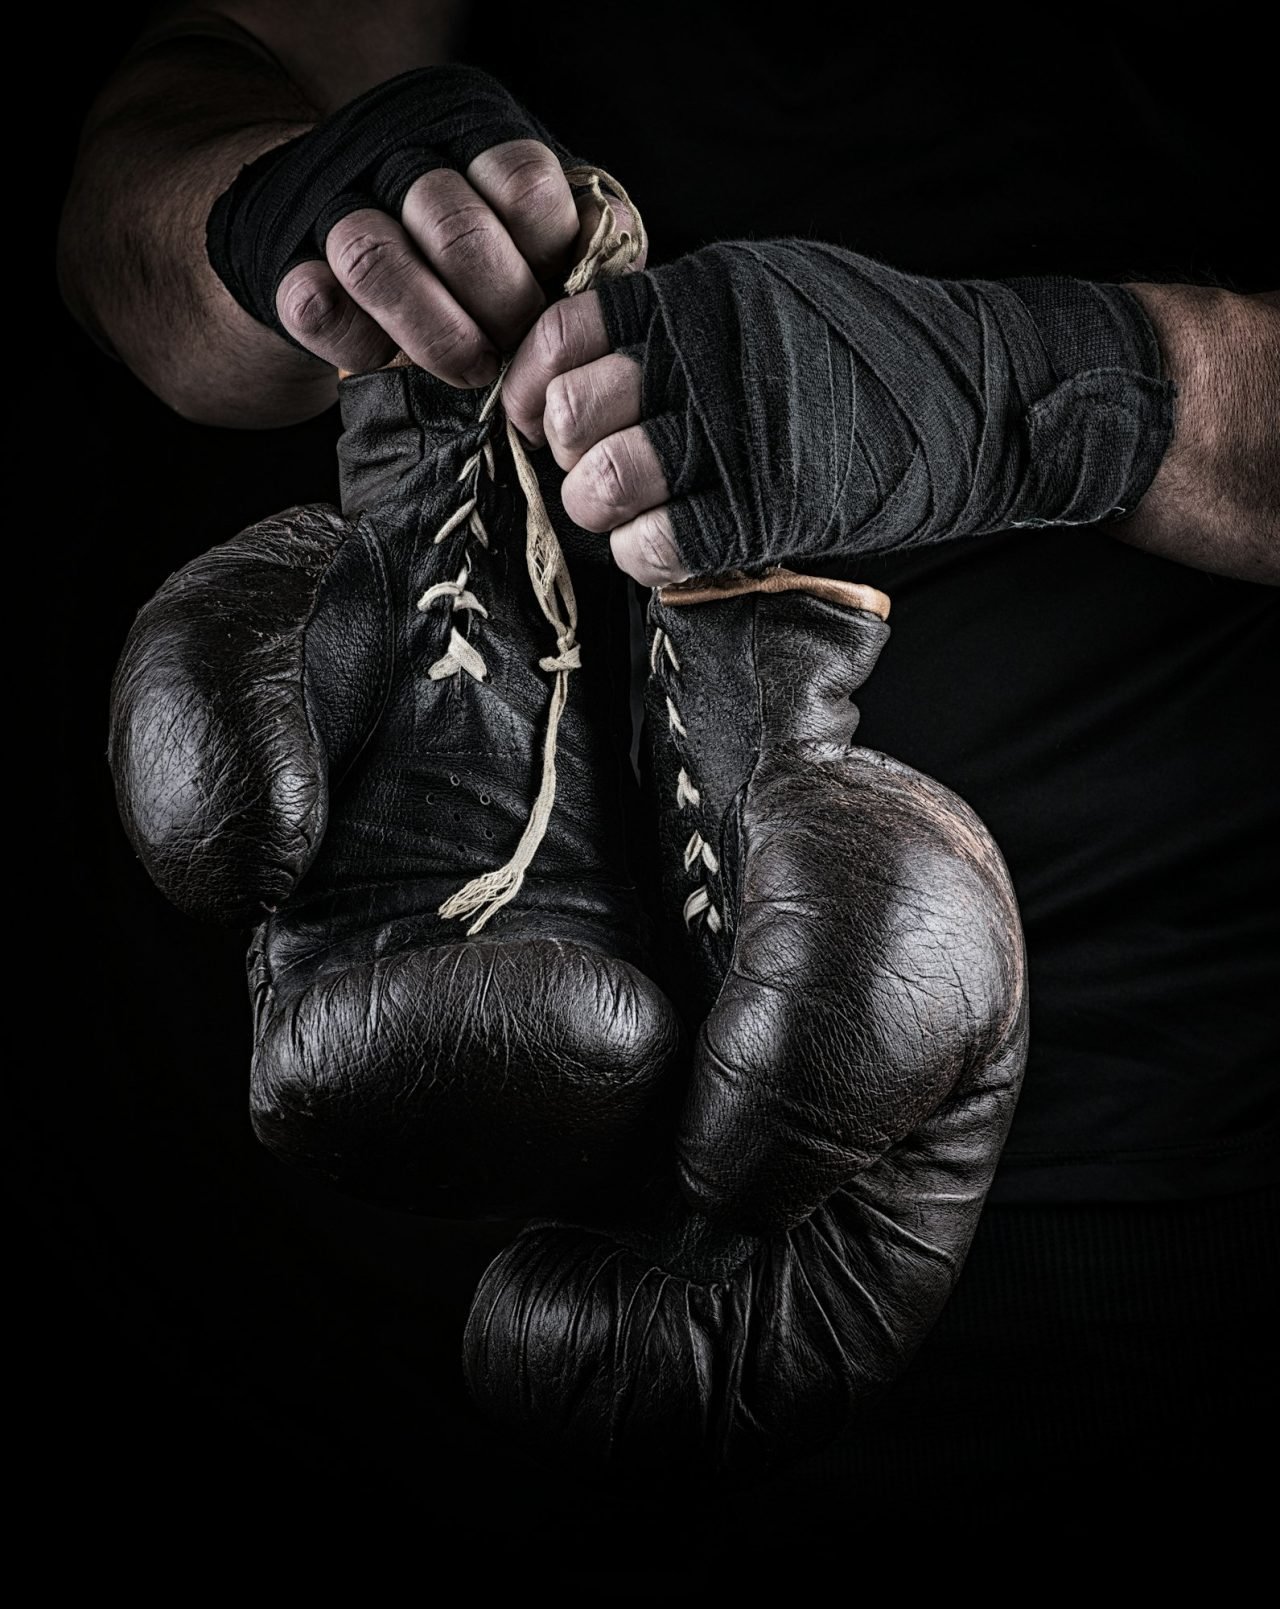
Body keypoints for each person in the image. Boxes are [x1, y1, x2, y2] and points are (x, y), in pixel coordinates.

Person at [56, 0, 1276, 1551]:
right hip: (523, 1100)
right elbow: (124, 218)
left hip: (1193, 1154)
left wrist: (1044, 391)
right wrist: (276, 203)